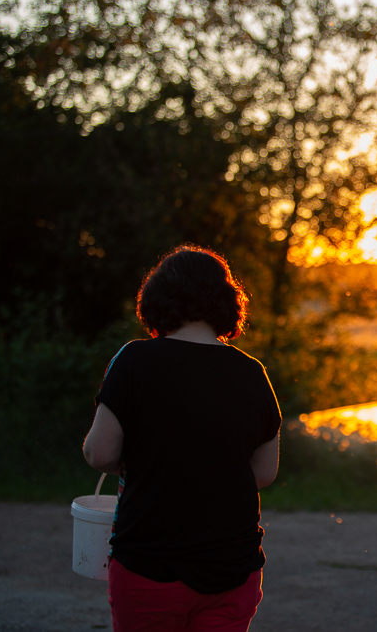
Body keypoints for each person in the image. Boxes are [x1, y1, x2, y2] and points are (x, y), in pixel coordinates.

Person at [82, 245, 281, 632]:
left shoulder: (134, 360)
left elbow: (100, 453)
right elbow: (264, 472)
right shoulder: (252, 372)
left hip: (149, 563)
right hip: (232, 566)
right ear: (227, 302)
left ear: (157, 299)